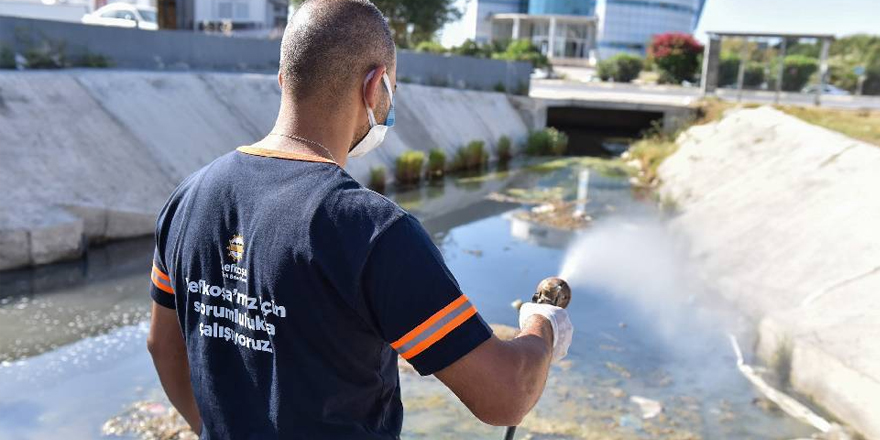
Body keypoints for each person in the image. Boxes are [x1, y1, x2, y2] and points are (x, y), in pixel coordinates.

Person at [146, 0, 574, 438]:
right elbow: (505, 395)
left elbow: (163, 347)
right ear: (374, 88)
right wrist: (541, 328)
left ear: (284, 80)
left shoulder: (189, 197)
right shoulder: (372, 232)